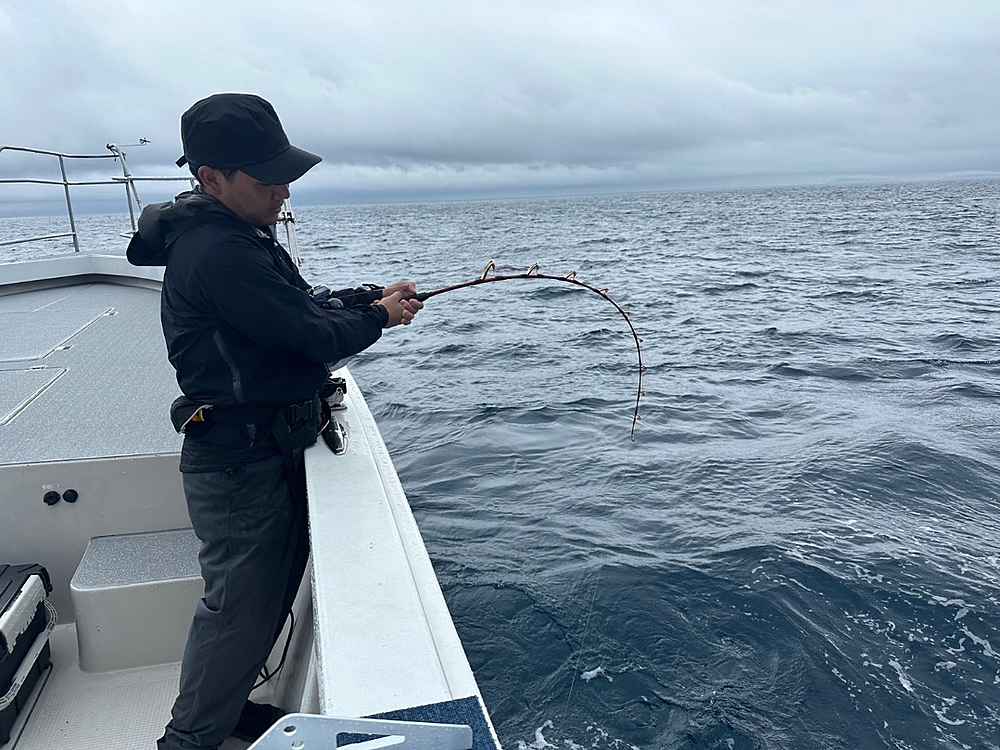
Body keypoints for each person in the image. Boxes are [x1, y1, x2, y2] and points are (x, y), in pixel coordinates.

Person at [126, 92, 423, 750]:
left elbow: (298, 304)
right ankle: (187, 742)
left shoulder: (239, 234)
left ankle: (226, 713)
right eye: (267, 179)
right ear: (211, 178)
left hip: (263, 450)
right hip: (239, 465)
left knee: (261, 603)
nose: (283, 190)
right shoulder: (218, 251)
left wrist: (364, 297)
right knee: (237, 613)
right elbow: (309, 335)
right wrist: (380, 316)